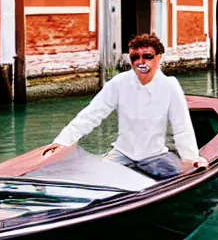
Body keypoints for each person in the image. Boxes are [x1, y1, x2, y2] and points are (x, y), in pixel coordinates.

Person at [43, 33, 207, 179]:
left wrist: (191, 158)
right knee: (93, 178)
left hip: (155, 156)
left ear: (159, 57)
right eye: (135, 57)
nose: (140, 62)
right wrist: (63, 141)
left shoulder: (170, 85)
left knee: (179, 177)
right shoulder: (119, 82)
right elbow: (92, 114)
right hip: (122, 153)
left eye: (147, 56)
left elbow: (182, 127)